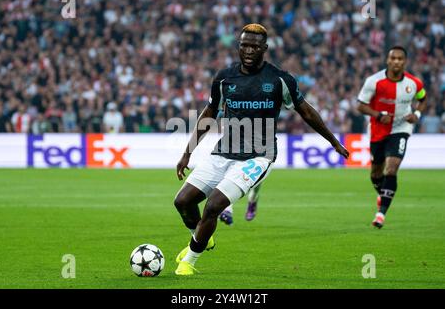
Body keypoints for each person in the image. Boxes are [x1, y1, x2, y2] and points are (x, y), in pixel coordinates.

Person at [173, 24, 349, 275]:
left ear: (264, 49)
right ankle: (201, 237)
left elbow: (306, 111)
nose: (249, 50)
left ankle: (189, 261)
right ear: (238, 46)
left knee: (213, 206)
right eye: (244, 44)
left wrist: (332, 140)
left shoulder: (279, 79)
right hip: (223, 152)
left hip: (258, 156)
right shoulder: (224, 77)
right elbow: (210, 113)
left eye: (255, 46)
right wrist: (187, 152)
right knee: (182, 201)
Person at [357, 46, 427, 229]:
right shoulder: (374, 81)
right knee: (376, 173)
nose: (396, 62)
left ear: (405, 62)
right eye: (393, 58)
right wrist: (378, 115)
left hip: (401, 128)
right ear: (387, 60)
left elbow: (423, 99)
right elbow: (360, 105)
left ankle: (381, 214)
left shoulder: (414, 84)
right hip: (378, 130)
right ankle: (383, 193)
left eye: (400, 59)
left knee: (392, 167)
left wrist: (417, 115)